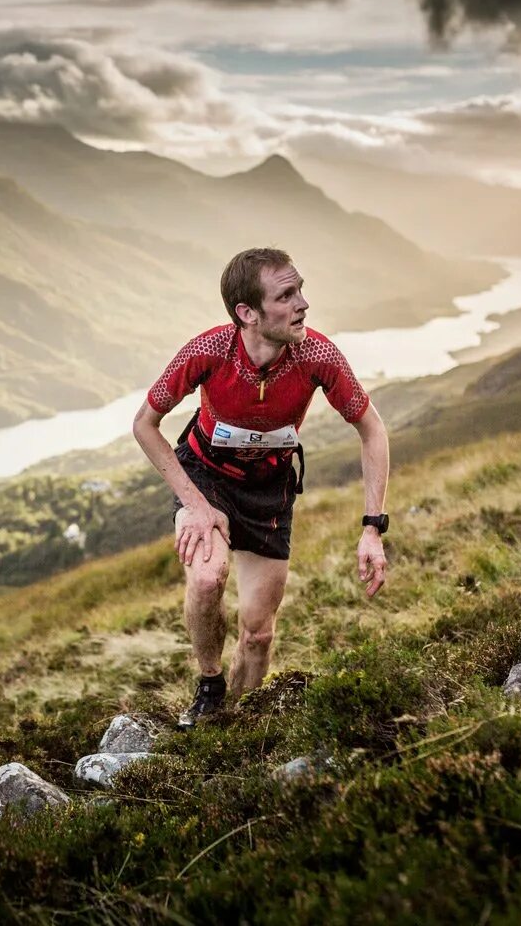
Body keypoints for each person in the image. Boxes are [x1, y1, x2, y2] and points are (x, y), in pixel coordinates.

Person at [131, 247, 390, 729]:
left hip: (270, 487)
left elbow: (372, 429)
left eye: (301, 289)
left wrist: (372, 528)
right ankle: (209, 684)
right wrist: (195, 504)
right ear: (246, 313)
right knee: (208, 577)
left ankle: (237, 722)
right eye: (286, 295)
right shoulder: (208, 351)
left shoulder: (317, 355)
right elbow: (145, 424)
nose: (303, 304)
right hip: (206, 474)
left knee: (258, 634)